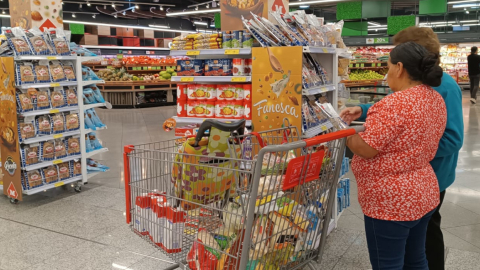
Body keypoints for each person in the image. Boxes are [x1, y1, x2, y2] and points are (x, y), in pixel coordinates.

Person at [340, 26, 464, 270]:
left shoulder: (397, 103)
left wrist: (343, 134)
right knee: (416, 258)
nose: (386, 73)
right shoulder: (432, 95)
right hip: (423, 190)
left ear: (399, 68)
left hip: (391, 201)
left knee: (388, 263)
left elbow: (366, 148)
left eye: (387, 66)